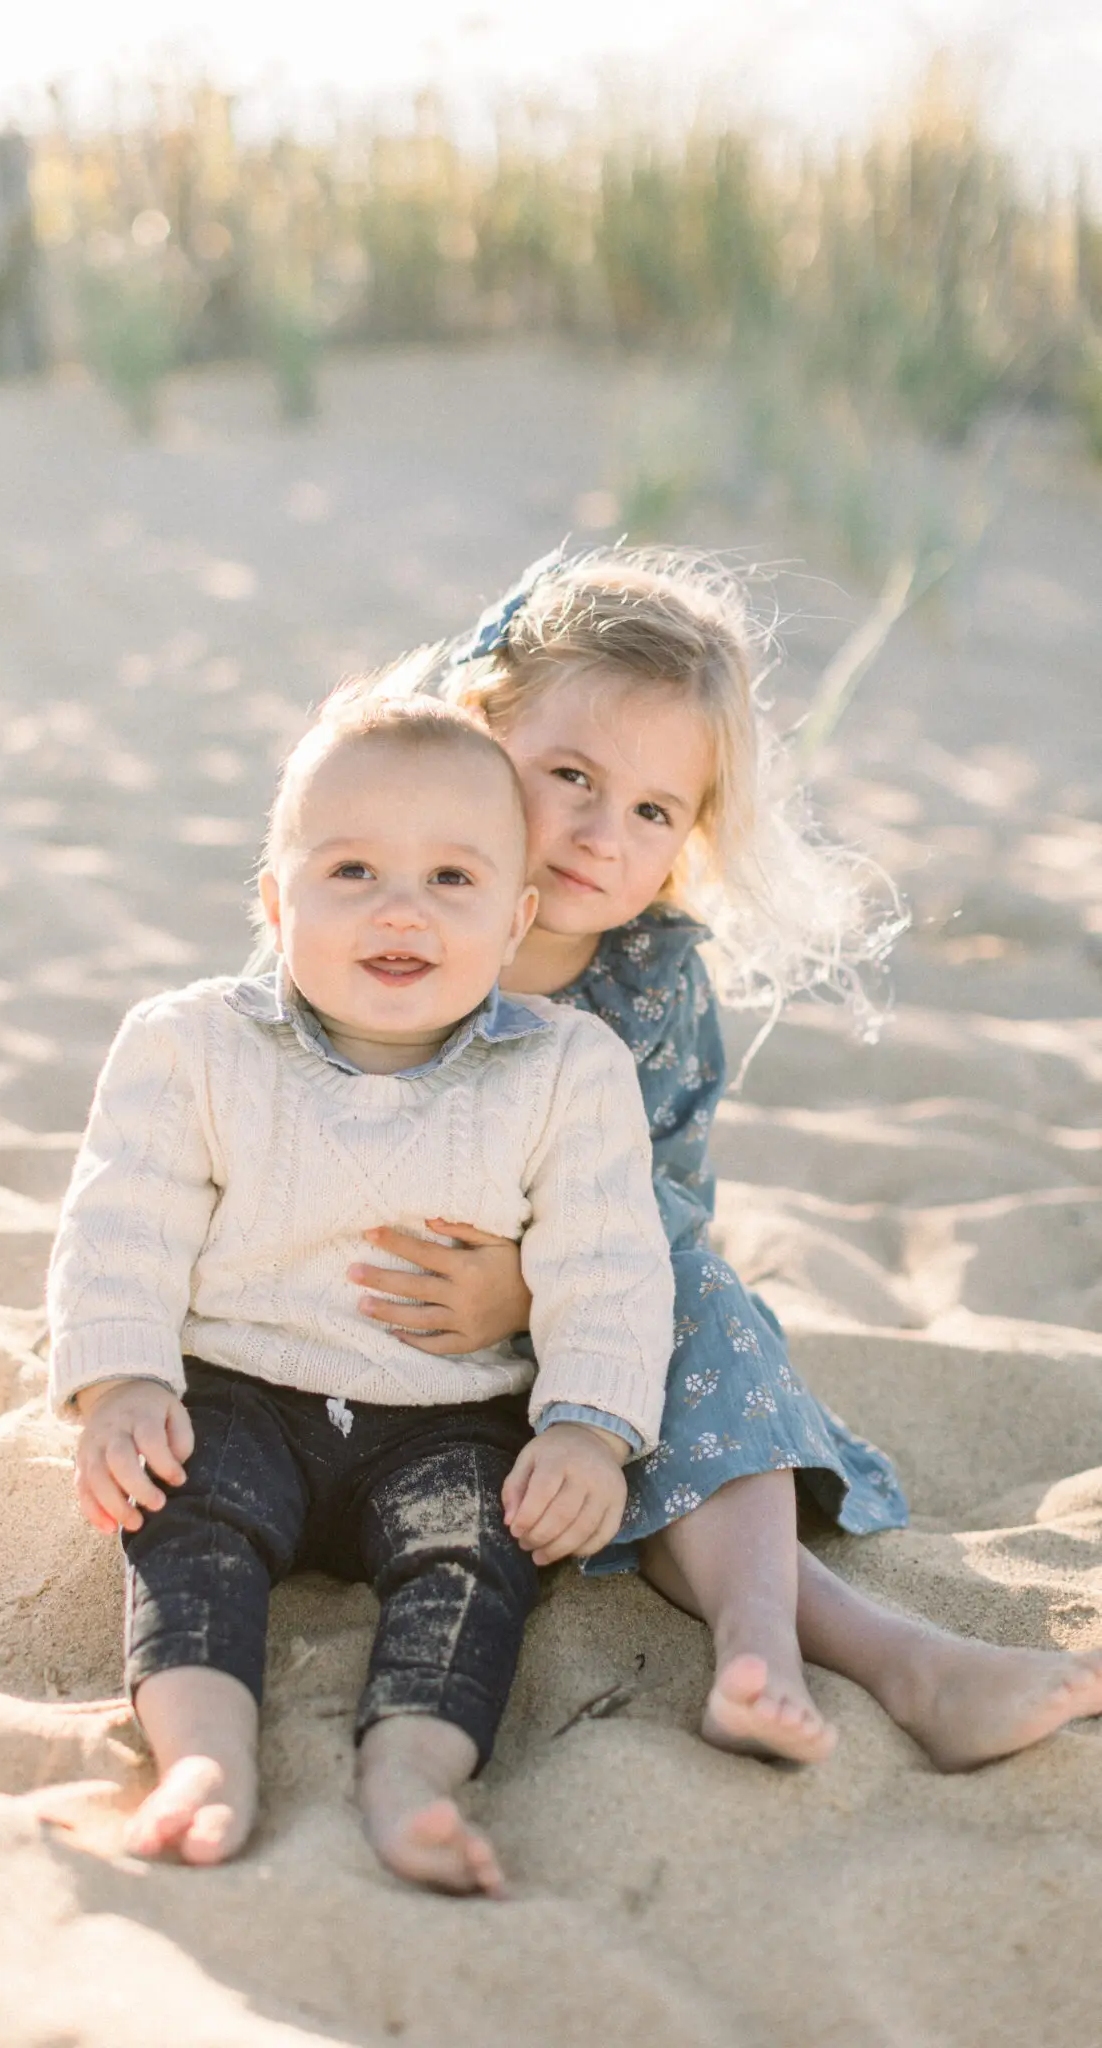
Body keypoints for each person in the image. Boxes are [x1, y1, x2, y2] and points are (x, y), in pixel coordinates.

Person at [345, 546, 1102, 1769]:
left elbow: (665, 1213)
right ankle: (905, 1659)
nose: (603, 834)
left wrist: (534, 1286)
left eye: (653, 809)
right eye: (571, 776)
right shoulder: (391, 911)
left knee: (701, 1301)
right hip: (373, 1336)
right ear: (480, 735)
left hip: (588, 1349)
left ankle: (764, 1652)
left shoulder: (648, 983)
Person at [48, 686, 675, 1895]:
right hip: (239, 1387)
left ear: (515, 918)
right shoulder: (191, 1045)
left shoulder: (565, 1070)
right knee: (183, 1523)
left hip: (449, 1413)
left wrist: (591, 1428)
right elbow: (123, 1217)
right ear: (275, 904)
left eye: (452, 879)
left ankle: (413, 1772)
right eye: (351, 871)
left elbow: (608, 1260)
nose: (401, 907)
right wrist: (120, 1381)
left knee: (478, 1560)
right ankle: (205, 1756)